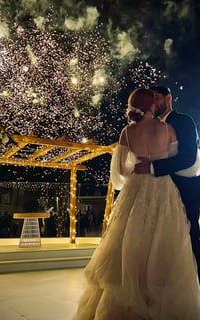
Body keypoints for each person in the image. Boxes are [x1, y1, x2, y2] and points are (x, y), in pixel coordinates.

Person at [72, 88, 200, 320]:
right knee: (165, 240)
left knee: (128, 239)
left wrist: (140, 169)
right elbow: (182, 161)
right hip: (164, 189)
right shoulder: (167, 129)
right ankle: (158, 295)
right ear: (152, 104)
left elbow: (120, 171)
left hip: (136, 188)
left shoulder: (127, 132)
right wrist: (156, 166)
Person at [135, 85, 200, 280]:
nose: (153, 102)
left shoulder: (183, 121)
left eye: (157, 97)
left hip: (186, 187)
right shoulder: (150, 125)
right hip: (158, 189)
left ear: (168, 98)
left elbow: (188, 157)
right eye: (150, 99)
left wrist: (153, 167)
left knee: (189, 235)